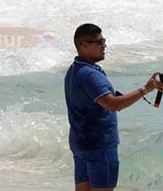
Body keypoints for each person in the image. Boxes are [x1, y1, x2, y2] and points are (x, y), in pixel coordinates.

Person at [65, 23, 163, 191]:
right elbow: (112, 104)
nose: (105, 46)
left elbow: (106, 100)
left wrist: (143, 89)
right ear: (83, 45)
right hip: (99, 145)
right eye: (100, 42)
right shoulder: (90, 75)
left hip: (81, 143)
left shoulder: (75, 69)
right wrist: (145, 89)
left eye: (104, 41)